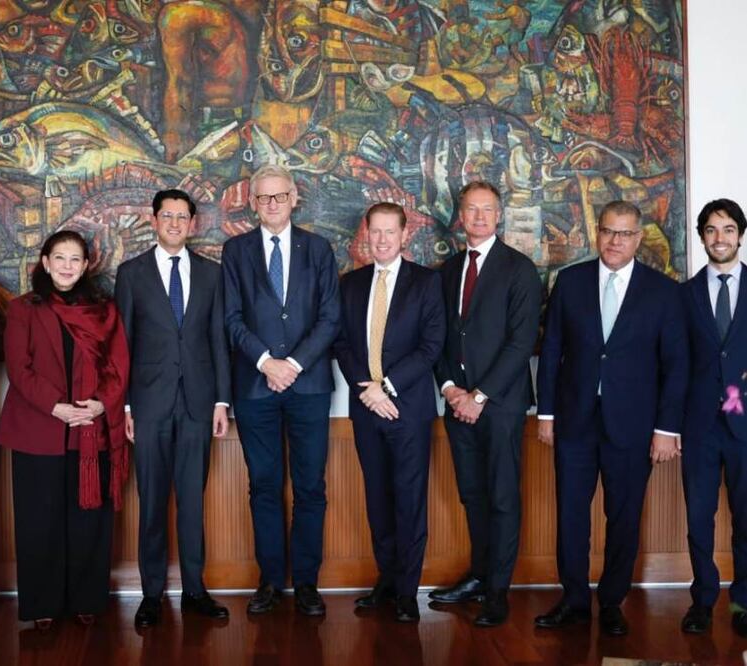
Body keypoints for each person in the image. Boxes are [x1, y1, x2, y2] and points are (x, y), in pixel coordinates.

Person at [534, 200, 687, 636]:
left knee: (623, 516)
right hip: (574, 422)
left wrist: (665, 429)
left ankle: (613, 600)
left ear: (638, 238)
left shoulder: (663, 291)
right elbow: (551, 353)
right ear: (596, 233)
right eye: (607, 231)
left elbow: (675, 365)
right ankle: (575, 599)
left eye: (624, 234)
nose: (614, 241)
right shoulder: (570, 281)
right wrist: (546, 414)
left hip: (634, 427)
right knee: (571, 515)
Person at [0, 230, 130, 630]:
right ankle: (43, 605)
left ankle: (88, 599)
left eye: (75, 259)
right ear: (46, 261)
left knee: (90, 520)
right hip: (39, 429)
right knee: (40, 521)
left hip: (92, 427)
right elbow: (20, 369)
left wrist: (101, 403)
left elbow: (119, 364)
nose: (67, 266)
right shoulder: (24, 309)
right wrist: (58, 408)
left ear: (86, 265)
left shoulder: (104, 310)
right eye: (60, 258)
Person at [221, 164, 340, 616]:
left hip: (307, 385)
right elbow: (231, 318)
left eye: (279, 196)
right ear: (252, 204)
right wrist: (266, 362)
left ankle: (306, 583)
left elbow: (330, 318)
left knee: (311, 486)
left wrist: (290, 364)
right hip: (255, 385)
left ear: (295, 198)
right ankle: (271, 581)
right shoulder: (236, 251)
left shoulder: (319, 249)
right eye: (262, 198)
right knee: (264, 486)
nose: (271, 204)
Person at [114, 189, 231, 628]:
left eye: (184, 217)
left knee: (192, 502)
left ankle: (196, 591)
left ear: (194, 223)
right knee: (151, 501)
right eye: (168, 216)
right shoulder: (131, 274)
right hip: (148, 404)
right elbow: (122, 343)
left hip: (200, 403)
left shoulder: (211, 274)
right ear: (154, 220)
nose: (176, 223)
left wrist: (222, 399)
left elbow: (218, 339)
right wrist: (125, 404)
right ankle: (150, 594)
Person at [430, 181, 542, 627]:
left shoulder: (520, 269)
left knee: (501, 497)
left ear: (499, 216)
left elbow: (520, 344)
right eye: (470, 209)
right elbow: (437, 337)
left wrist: (479, 396)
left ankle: (497, 591)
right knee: (472, 495)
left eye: (487, 210)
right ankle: (478, 577)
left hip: (500, 406)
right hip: (457, 405)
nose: (478, 217)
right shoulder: (448, 270)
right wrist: (451, 390)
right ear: (460, 216)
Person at [333, 202, 446, 623]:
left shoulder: (426, 283)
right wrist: (368, 389)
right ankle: (386, 579)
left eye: (389, 232)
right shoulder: (351, 284)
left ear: (404, 235)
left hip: (408, 410)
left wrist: (388, 388)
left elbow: (431, 346)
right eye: (374, 232)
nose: (381, 240)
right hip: (365, 409)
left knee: (409, 501)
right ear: (366, 234)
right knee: (377, 498)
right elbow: (341, 343)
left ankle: (406, 592)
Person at [679, 199, 747, 636]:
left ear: (740, 234)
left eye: (727, 229)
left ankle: (743, 602)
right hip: (699, 425)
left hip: (745, 425)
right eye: (710, 230)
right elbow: (673, 360)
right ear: (701, 236)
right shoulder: (681, 295)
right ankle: (702, 599)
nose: (719, 238)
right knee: (699, 518)